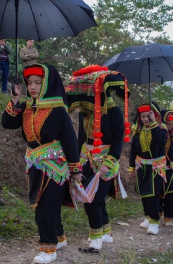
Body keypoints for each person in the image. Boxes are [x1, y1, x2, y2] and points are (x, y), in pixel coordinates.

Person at [2, 64, 83, 264]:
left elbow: (70, 140)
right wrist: (14, 99)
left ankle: (48, 249)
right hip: (35, 164)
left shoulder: (58, 111)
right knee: (48, 203)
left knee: (44, 206)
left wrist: (75, 170)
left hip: (55, 166)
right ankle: (59, 237)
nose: (33, 87)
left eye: (38, 83)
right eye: (30, 83)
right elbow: (7, 123)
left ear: (47, 84)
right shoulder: (27, 108)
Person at [64, 65, 130, 252]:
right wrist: (75, 163)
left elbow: (118, 142)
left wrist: (109, 163)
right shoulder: (85, 113)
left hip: (105, 162)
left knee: (93, 200)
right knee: (93, 199)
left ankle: (95, 238)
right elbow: (80, 140)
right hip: (87, 160)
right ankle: (106, 233)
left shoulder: (114, 112)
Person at [128, 103, 167, 235]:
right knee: (143, 193)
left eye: (148, 116)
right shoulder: (138, 130)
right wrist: (131, 168)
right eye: (143, 116)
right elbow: (133, 150)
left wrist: (153, 123)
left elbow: (160, 140)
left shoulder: (161, 129)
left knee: (153, 194)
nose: (145, 119)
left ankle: (155, 221)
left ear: (155, 115)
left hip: (156, 166)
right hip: (141, 165)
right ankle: (147, 216)